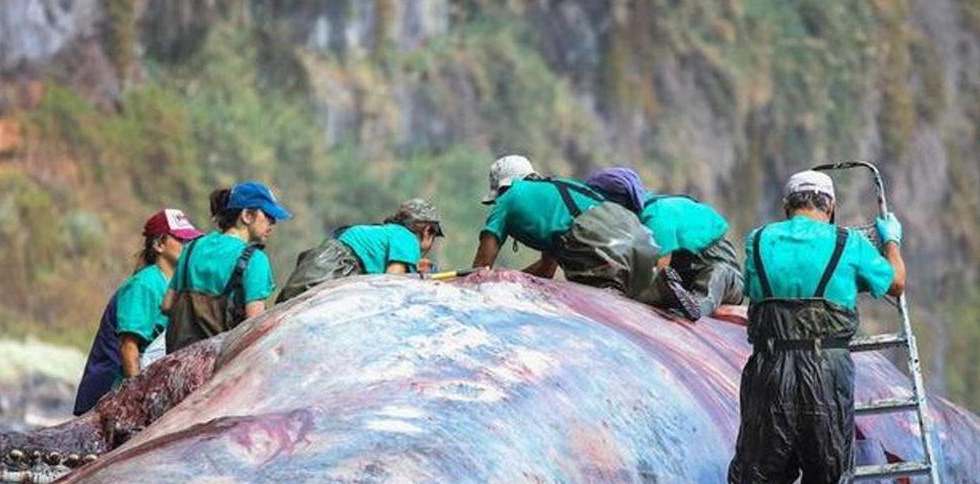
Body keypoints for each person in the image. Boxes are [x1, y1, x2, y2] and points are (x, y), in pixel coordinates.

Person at [711, 170, 906, 484]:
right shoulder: (847, 243)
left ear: (787, 205)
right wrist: (891, 241)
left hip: (768, 373)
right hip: (826, 375)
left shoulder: (757, 242)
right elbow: (896, 284)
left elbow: (753, 293)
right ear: (830, 207)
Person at [471, 155, 698, 315]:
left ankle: (657, 291)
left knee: (603, 295)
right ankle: (658, 286)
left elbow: (480, 269)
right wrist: (509, 279)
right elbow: (546, 269)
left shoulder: (508, 198)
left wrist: (473, 285)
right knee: (632, 289)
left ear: (503, 186)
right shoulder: (557, 191)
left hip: (594, 235)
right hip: (633, 229)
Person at [73, 209, 203, 415]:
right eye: (181, 240)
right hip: (110, 394)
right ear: (159, 245)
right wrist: (139, 401)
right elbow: (129, 347)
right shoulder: (144, 285)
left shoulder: (173, 285)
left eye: (190, 241)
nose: (188, 246)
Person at [586, 167, 745, 318]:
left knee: (715, 277)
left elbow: (662, 266)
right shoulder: (635, 222)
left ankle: (695, 307)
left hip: (720, 270)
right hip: (682, 275)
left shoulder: (656, 216)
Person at [162, 182, 291, 353]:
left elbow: (167, 305)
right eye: (268, 215)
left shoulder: (193, 247)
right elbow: (255, 329)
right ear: (247, 216)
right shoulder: (255, 260)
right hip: (219, 368)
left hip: (178, 359)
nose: (272, 223)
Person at [277, 198, 443, 302]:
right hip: (334, 269)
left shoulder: (385, 232)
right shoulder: (407, 238)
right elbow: (393, 282)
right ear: (428, 230)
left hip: (318, 262)